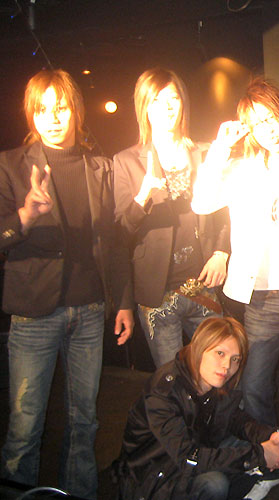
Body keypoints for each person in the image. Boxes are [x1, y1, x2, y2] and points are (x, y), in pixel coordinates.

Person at [0, 69, 134, 499]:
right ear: (32, 115)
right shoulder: (9, 164)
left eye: (60, 108)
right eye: (42, 110)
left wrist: (124, 302)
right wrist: (25, 216)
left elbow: (115, 242)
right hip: (33, 314)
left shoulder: (100, 167)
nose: (53, 118)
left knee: (85, 422)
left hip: (90, 312)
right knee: (25, 425)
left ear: (75, 109)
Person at [192, 77, 279, 426]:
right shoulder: (244, 169)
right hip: (264, 298)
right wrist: (220, 148)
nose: (268, 130)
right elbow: (201, 202)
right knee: (253, 387)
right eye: (258, 124)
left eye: (271, 118)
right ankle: (265, 450)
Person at [114, 67, 230, 368]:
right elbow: (121, 233)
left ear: (183, 103)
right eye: (156, 100)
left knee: (222, 373)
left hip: (204, 285)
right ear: (143, 107)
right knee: (170, 379)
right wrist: (142, 197)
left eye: (173, 99)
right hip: (157, 293)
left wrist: (221, 252)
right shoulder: (126, 161)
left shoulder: (205, 153)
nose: (166, 107)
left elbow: (225, 211)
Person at [113, 316, 279, 500]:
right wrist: (260, 455)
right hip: (153, 477)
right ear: (200, 348)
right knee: (215, 484)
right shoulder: (164, 392)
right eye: (220, 353)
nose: (227, 366)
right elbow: (188, 457)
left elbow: (234, 419)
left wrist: (272, 436)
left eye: (235, 359)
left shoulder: (211, 380)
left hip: (194, 450)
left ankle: (254, 477)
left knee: (250, 445)